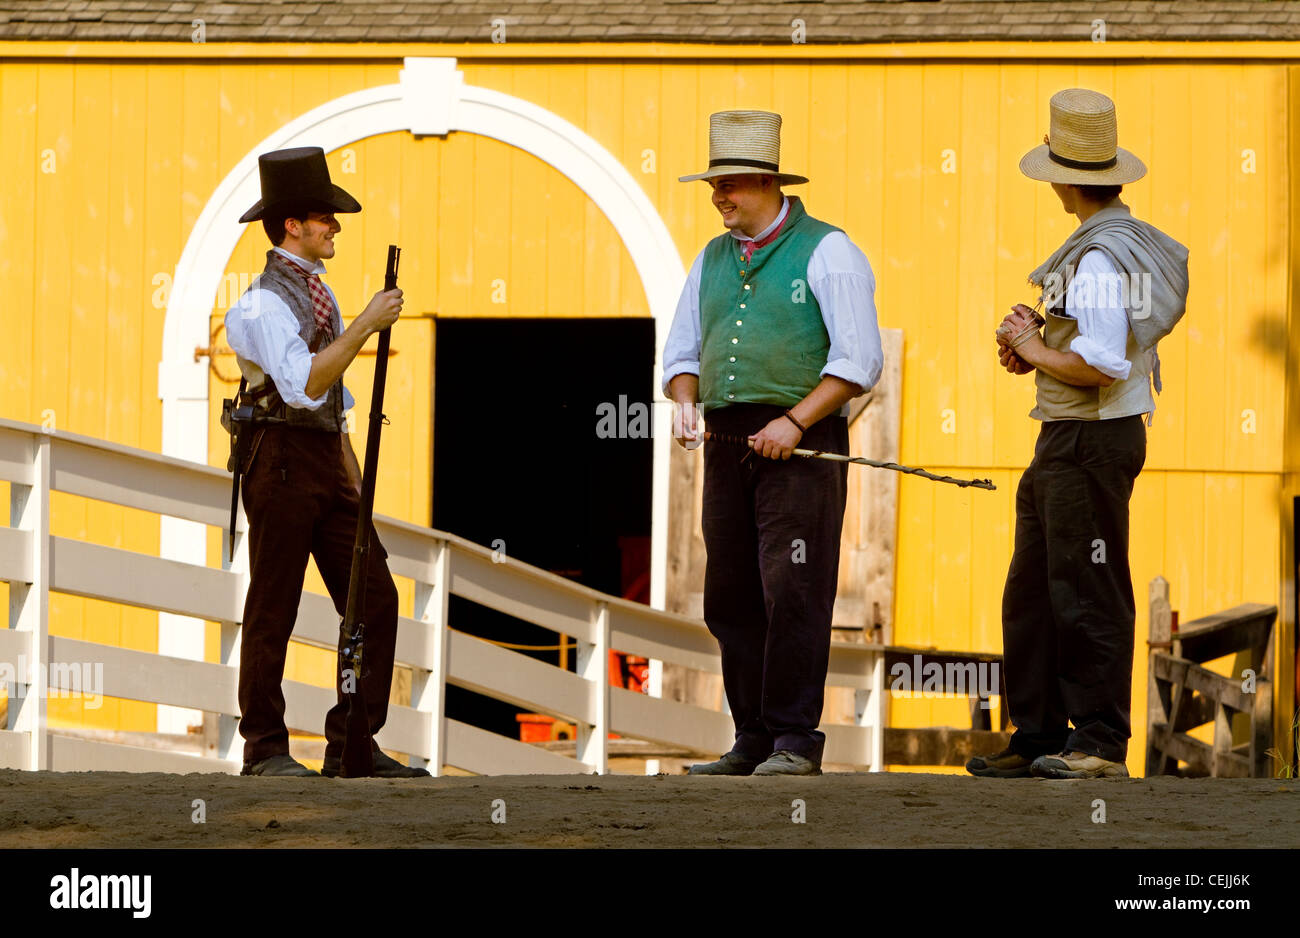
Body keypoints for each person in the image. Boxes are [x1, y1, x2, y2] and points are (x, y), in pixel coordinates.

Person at [968, 89, 1189, 780]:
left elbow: (1102, 362)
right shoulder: (1108, 244)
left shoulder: (1096, 258)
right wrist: (1034, 342)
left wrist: (1031, 349)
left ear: (1067, 179)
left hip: (1088, 438)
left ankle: (1097, 742)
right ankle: (1038, 733)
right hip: (1069, 436)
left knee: (1086, 582)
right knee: (1033, 585)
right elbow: (1084, 348)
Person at [663, 110, 883, 776]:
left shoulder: (828, 250)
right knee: (730, 593)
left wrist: (794, 421)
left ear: (765, 182)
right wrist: (681, 400)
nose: (717, 197)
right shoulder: (711, 258)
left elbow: (860, 359)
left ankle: (794, 741)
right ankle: (752, 737)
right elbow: (680, 350)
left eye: (728, 185)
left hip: (803, 441)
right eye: (713, 185)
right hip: (728, 440)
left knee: (794, 587)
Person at [225, 146, 427, 778]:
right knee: (274, 604)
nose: (335, 226)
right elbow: (304, 385)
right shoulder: (261, 304)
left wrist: (354, 484)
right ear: (292, 224)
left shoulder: (318, 296)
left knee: (375, 597)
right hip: (278, 460)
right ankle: (264, 747)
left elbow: (333, 401)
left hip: (323, 460)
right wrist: (367, 322)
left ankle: (354, 742)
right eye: (324, 217)